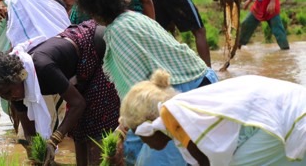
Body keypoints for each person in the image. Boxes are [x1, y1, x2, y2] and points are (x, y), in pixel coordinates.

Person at [75, 0, 218, 165]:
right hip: (202, 84)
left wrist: (121, 131)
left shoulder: (118, 31)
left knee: (145, 156)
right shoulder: (135, 17)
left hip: (182, 93)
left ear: (94, 11)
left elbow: (140, 95)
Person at [0, 20, 120, 165]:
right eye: (3, 96)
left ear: (17, 76)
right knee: (78, 130)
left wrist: (53, 141)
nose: (10, 97)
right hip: (78, 69)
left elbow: (78, 104)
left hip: (97, 50)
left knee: (95, 125)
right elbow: (30, 133)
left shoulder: (42, 67)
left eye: (8, 92)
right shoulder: (15, 90)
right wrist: (39, 156)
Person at [119, 70, 306, 165]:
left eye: (139, 134)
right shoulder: (188, 110)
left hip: (288, 117)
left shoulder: (170, 113)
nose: (144, 142)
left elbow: (204, 162)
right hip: (294, 109)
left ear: (148, 125)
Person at [6, 0, 71, 136]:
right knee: (55, 126)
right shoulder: (55, 3)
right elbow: (67, 34)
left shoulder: (14, 3)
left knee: (31, 133)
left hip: (25, 73)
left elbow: (16, 39)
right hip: (56, 69)